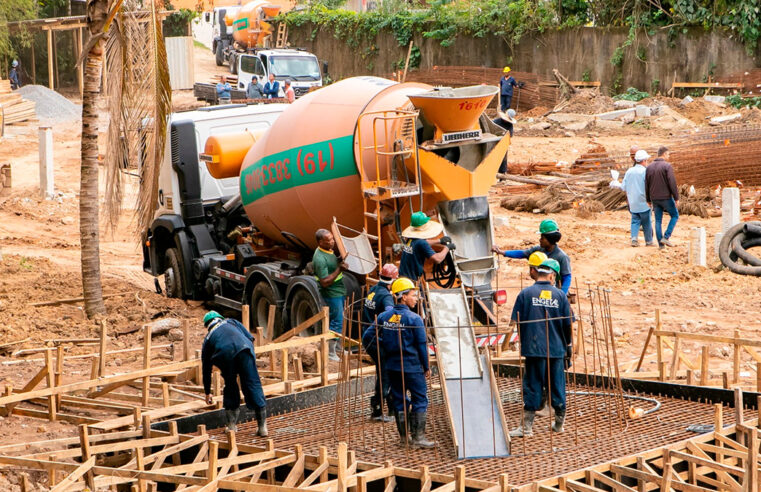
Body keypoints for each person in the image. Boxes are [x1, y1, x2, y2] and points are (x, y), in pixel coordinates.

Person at [508, 260, 572, 437]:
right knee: (557, 386)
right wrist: (568, 346)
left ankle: (527, 428)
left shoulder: (525, 294)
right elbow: (568, 325)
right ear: (552, 275)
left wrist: (520, 340)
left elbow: (515, 322)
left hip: (534, 349)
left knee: (533, 386)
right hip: (556, 349)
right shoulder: (560, 296)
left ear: (537, 273)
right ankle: (559, 425)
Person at [378, 277, 434, 448]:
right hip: (412, 367)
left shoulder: (383, 317)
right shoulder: (414, 319)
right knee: (420, 399)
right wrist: (426, 366)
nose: (416, 298)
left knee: (399, 400)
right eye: (413, 295)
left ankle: (404, 439)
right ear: (403, 297)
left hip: (393, 367)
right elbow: (422, 346)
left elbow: (374, 338)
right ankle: (418, 438)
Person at [201, 311, 267, 435]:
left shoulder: (208, 338)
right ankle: (262, 428)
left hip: (224, 355)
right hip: (244, 349)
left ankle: (231, 427)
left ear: (207, 325)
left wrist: (207, 392)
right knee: (253, 384)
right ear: (220, 318)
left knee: (230, 386)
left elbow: (206, 367)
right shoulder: (232, 321)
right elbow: (250, 338)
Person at [492, 219, 572, 294]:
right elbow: (523, 253)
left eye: (542, 238)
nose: (540, 240)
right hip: (540, 287)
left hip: (555, 291)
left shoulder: (562, 257)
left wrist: (562, 295)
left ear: (550, 240)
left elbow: (567, 277)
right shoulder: (538, 249)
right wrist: (502, 252)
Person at [361, 263, 399, 422]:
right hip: (376, 339)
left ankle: (390, 406)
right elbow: (390, 313)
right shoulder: (386, 296)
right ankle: (377, 410)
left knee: (384, 371)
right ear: (394, 279)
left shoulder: (373, 290)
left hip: (367, 336)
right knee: (385, 372)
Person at [312, 228, 348, 361]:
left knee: (340, 319)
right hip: (331, 293)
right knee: (336, 321)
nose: (332, 242)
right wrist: (340, 269)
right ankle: (330, 352)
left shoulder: (327, 250)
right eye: (329, 241)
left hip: (338, 290)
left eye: (333, 239)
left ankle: (338, 348)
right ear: (320, 242)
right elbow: (325, 282)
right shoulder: (320, 259)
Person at [611, 149, 655, 247]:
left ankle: (634, 239)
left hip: (633, 203)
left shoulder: (629, 171)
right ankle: (649, 241)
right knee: (646, 222)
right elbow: (650, 186)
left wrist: (616, 184)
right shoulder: (645, 172)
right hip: (644, 202)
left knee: (635, 221)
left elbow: (623, 187)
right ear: (644, 160)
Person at [399, 211, 450, 283]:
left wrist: (439, 241)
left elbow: (420, 245)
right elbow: (438, 259)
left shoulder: (410, 239)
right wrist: (447, 248)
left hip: (403, 278)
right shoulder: (421, 243)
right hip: (411, 281)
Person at [645, 146, 679, 249]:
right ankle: (666, 237)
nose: (668, 156)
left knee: (658, 220)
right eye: (668, 154)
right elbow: (672, 182)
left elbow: (646, 184)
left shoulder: (649, 167)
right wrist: (676, 197)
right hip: (666, 197)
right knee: (675, 215)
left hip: (654, 198)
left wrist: (648, 199)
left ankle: (661, 244)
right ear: (664, 154)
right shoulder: (667, 166)